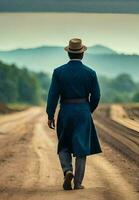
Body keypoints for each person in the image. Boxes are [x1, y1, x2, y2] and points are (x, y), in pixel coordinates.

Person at [46, 38, 102, 190]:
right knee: (81, 148)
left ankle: (67, 170)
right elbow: (96, 96)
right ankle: (77, 183)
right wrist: (87, 109)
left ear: (68, 53)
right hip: (83, 111)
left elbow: (52, 95)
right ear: (82, 54)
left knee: (63, 144)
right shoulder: (90, 73)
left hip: (65, 111)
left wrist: (50, 115)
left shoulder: (58, 72)